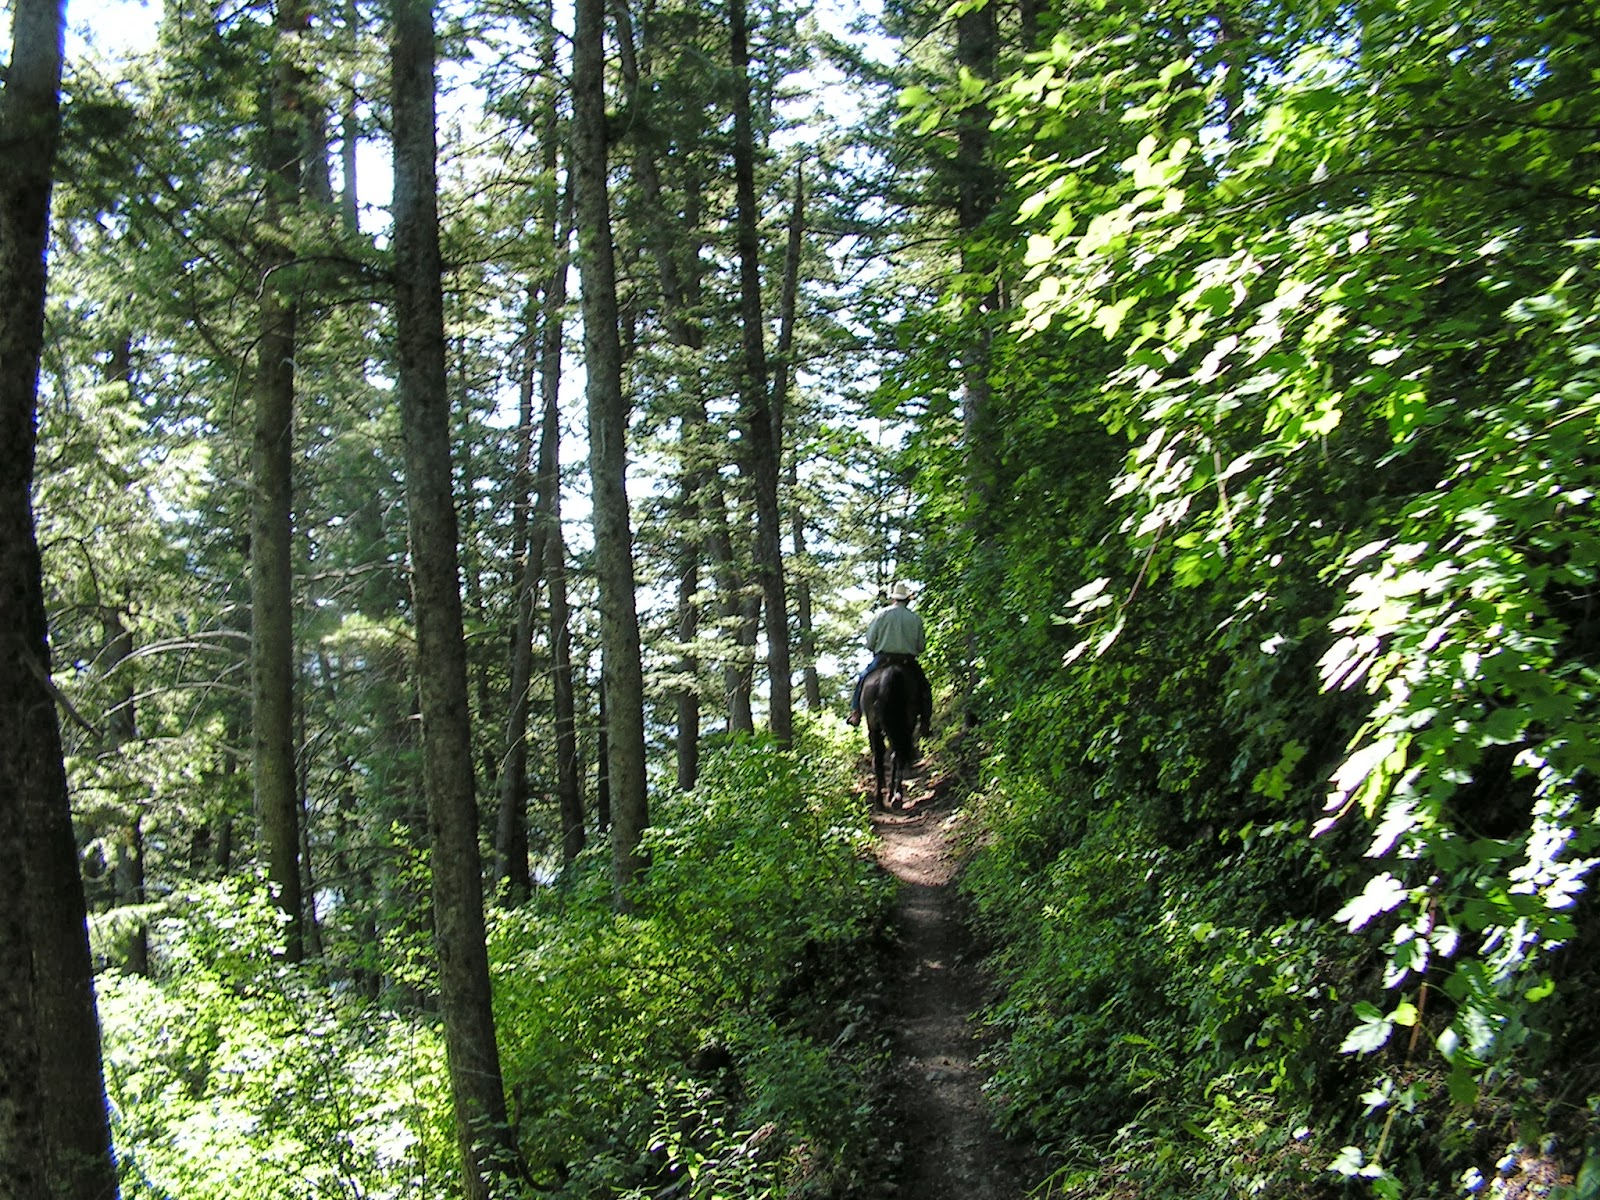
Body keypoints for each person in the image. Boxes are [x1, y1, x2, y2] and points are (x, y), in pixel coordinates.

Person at [847, 582, 932, 736]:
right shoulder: (915, 619)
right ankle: (925, 722)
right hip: (907, 661)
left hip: (883, 659)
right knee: (924, 687)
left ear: (894, 599)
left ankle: (856, 713)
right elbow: (921, 647)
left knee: (862, 679)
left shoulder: (880, 615)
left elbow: (870, 643)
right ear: (907, 600)